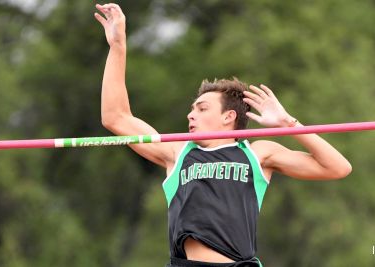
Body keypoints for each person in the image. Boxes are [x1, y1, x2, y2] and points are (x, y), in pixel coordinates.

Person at [95, 3, 352, 267]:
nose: (190, 115)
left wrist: (289, 124)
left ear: (228, 117)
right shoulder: (177, 153)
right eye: (191, 109)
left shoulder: (257, 154)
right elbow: (116, 117)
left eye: (202, 108)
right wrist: (118, 47)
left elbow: (338, 167)